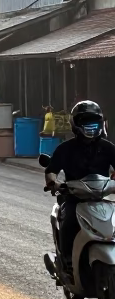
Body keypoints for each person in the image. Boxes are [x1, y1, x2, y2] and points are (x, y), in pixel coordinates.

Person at [44, 101, 115, 273]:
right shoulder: (65, 149)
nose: (90, 125)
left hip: (101, 198)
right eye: (85, 121)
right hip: (73, 198)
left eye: (94, 120)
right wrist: (54, 183)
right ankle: (67, 261)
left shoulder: (108, 147)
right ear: (76, 124)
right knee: (69, 222)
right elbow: (51, 170)